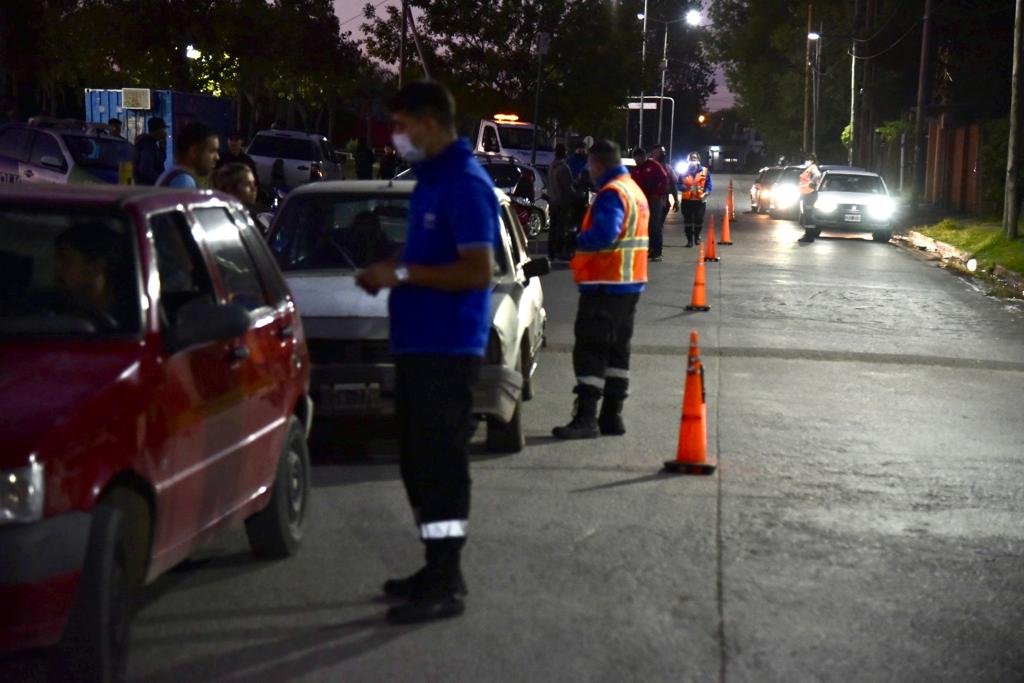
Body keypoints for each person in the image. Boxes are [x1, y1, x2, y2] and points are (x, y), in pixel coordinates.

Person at [355, 80, 498, 625]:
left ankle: (445, 579)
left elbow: (478, 269)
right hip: (417, 345)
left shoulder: (465, 184)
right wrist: (393, 267)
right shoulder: (431, 182)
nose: (397, 136)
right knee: (417, 463)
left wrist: (404, 272)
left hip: (447, 348)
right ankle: (437, 566)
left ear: (433, 122)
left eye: (403, 124)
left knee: (441, 465)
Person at [553, 139, 649, 440]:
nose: (588, 172)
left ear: (598, 164)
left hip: (605, 285)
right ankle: (612, 416)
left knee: (591, 349)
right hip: (629, 284)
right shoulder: (633, 190)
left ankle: (586, 418)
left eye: (590, 166)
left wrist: (577, 239)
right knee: (618, 351)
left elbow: (605, 234)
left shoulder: (611, 194)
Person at [54, 223, 126, 330]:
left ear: (96, 267)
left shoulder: (127, 323)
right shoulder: (59, 309)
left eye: (65, 260)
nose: (57, 268)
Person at [630, 147, 669, 262]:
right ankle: (649, 250)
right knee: (644, 226)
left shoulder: (653, 165)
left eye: (639, 158)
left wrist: (660, 194)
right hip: (642, 201)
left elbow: (664, 178)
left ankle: (657, 252)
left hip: (655, 200)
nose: (637, 161)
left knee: (655, 225)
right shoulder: (636, 170)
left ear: (644, 156)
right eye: (635, 159)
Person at [156, 122, 220, 188]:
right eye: (212, 151)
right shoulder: (184, 181)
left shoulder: (175, 175)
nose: (217, 157)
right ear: (194, 151)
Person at [547, 143, 578, 261]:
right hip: (562, 202)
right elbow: (568, 187)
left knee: (553, 227)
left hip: (553, 201)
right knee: (562, 227)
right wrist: (576, 195)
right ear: (564, 153)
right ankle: (560, 251)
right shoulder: (564, 168)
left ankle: (551, 252)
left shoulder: (551, 166)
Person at [213, 162, 264, 230]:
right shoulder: (221, 220)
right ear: (230, 188)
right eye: (247, 184)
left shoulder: (252, 217)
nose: (254, 189)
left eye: (253, 183)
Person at [679, 151, 712, 247]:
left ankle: (697, 237)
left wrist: (707, 192)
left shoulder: (705, 171)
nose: (692, 160)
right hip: (687, 201)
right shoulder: (683, 171)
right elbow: (678, 183)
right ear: (687, 160)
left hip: (700, 201)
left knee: (699, 220)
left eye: (694, 158)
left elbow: (709, 184)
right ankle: (689, 240)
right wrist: (683, 188)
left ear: (698, 160)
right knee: (687, 221)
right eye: (691, 158)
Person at [133, 117, 168, 185]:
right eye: (163, 129)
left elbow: (160, 161)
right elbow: (145, 169)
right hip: (148, 186)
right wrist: (161, 181)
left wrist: (162, 147)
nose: (165, 132)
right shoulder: (148, 145)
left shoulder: (152, 144)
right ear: (158, 130)